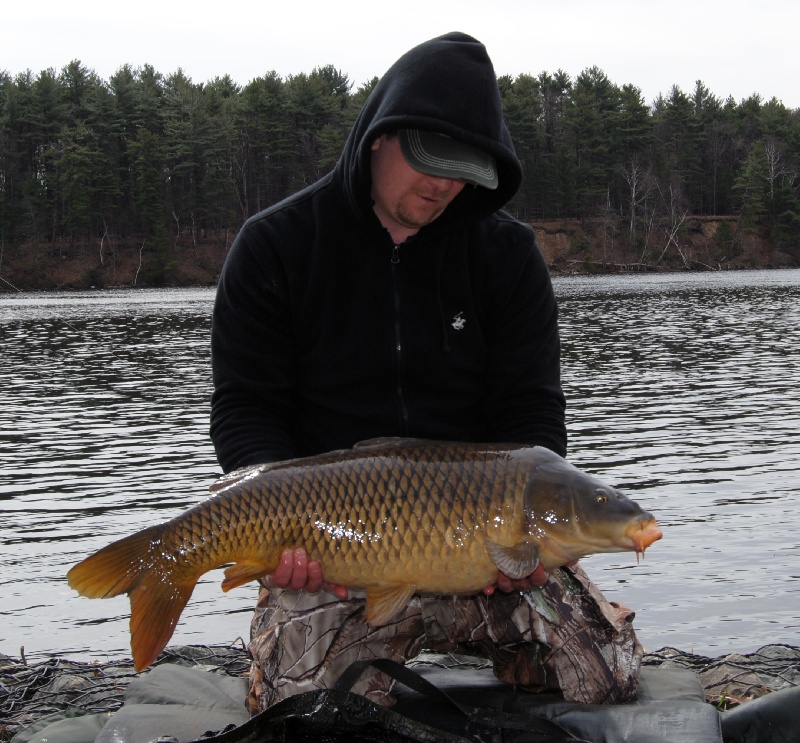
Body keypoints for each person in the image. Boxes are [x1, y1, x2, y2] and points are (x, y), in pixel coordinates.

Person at [210, 32, 642, 713]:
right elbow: (245, 408)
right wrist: (283, 538)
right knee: (308, 711)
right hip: (335, 547)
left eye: (463, 167)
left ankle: (512, 651)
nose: (443, 184)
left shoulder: (508, 257)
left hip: (487, 543)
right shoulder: (276, 245)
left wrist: (520, 546)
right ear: (379, 136)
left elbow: (531, 415)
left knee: (608, 675)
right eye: (430, 159)